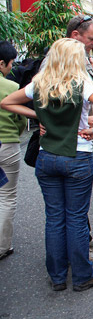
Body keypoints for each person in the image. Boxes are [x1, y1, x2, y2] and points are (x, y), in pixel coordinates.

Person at [0, 38, 93, 291]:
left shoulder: (39, 83)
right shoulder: (82, 84)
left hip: (47, 157)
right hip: (77, 157)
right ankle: (82, 275)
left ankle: (57, 276)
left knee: (54, 217)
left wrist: (38, 115)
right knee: (77, 218)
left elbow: (6, 103)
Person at [66, 15, 93, 258]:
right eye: (92, 39)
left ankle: (83, 241)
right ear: (75, 36)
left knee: (73, 208)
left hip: (76, 139)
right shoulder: (66, 62)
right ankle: (79, 252)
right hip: (73, 146)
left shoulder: (80, 58)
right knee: (73, 207)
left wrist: (86, 119)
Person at [0, 41, 27, 260]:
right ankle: (2, 246)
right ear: (2, 64)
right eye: (10, 63)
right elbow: (20, 120)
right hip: (6, 144)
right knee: (7, 196)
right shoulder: (10, 87)